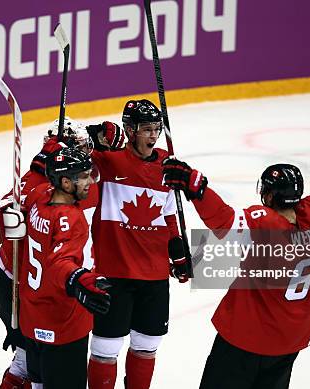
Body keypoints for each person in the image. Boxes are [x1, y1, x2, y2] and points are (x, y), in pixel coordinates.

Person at [162, 108, 310, 389]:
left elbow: (224, 221)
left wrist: (196, 188)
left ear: (270, 196)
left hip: (245, 337)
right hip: (290, 339)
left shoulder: (265, 225)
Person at [85, 99, 190, 389]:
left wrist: (177, 249)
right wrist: (93, 136)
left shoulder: (167, 165)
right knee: (105, 349)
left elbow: (169, 213)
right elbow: (74, 157)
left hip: (154, 275)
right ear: (129, 130)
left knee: (147, 345)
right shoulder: (107, 161)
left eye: (156, 129)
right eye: (146, 129)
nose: (153, 135)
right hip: (113, 273)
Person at [0, 117, 95, 389]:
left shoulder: (37, 185)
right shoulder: (52, 195)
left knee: (29, 365)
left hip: (16, 281)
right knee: (27, 364)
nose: (84, 154)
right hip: (24, 291)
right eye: (78, 147)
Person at [18, 147, 111, 388]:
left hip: (32, 318)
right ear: (67, 183)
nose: (90, 181)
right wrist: (78, 278)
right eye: (84, 176)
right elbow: (60, 262)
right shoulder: (71, 219)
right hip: (63, 325)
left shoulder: (39, 196)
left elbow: (23, 194)